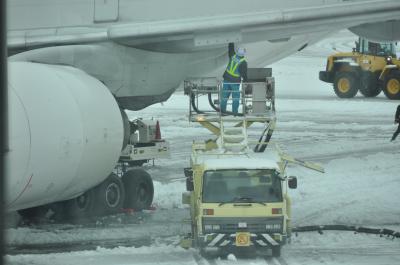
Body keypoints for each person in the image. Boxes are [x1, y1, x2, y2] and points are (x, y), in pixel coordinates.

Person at [221, 43, 248, 114]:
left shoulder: (233, 56)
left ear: (237, 51)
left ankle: (222, 112)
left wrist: (231, 42)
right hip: (235, 83)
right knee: (235, 98)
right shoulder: (243, 62)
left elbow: (230, 49)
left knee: (224, 97)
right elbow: (244, 74)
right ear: (244, 54)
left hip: (226, 80)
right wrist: (246, 82)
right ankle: (234, 113)